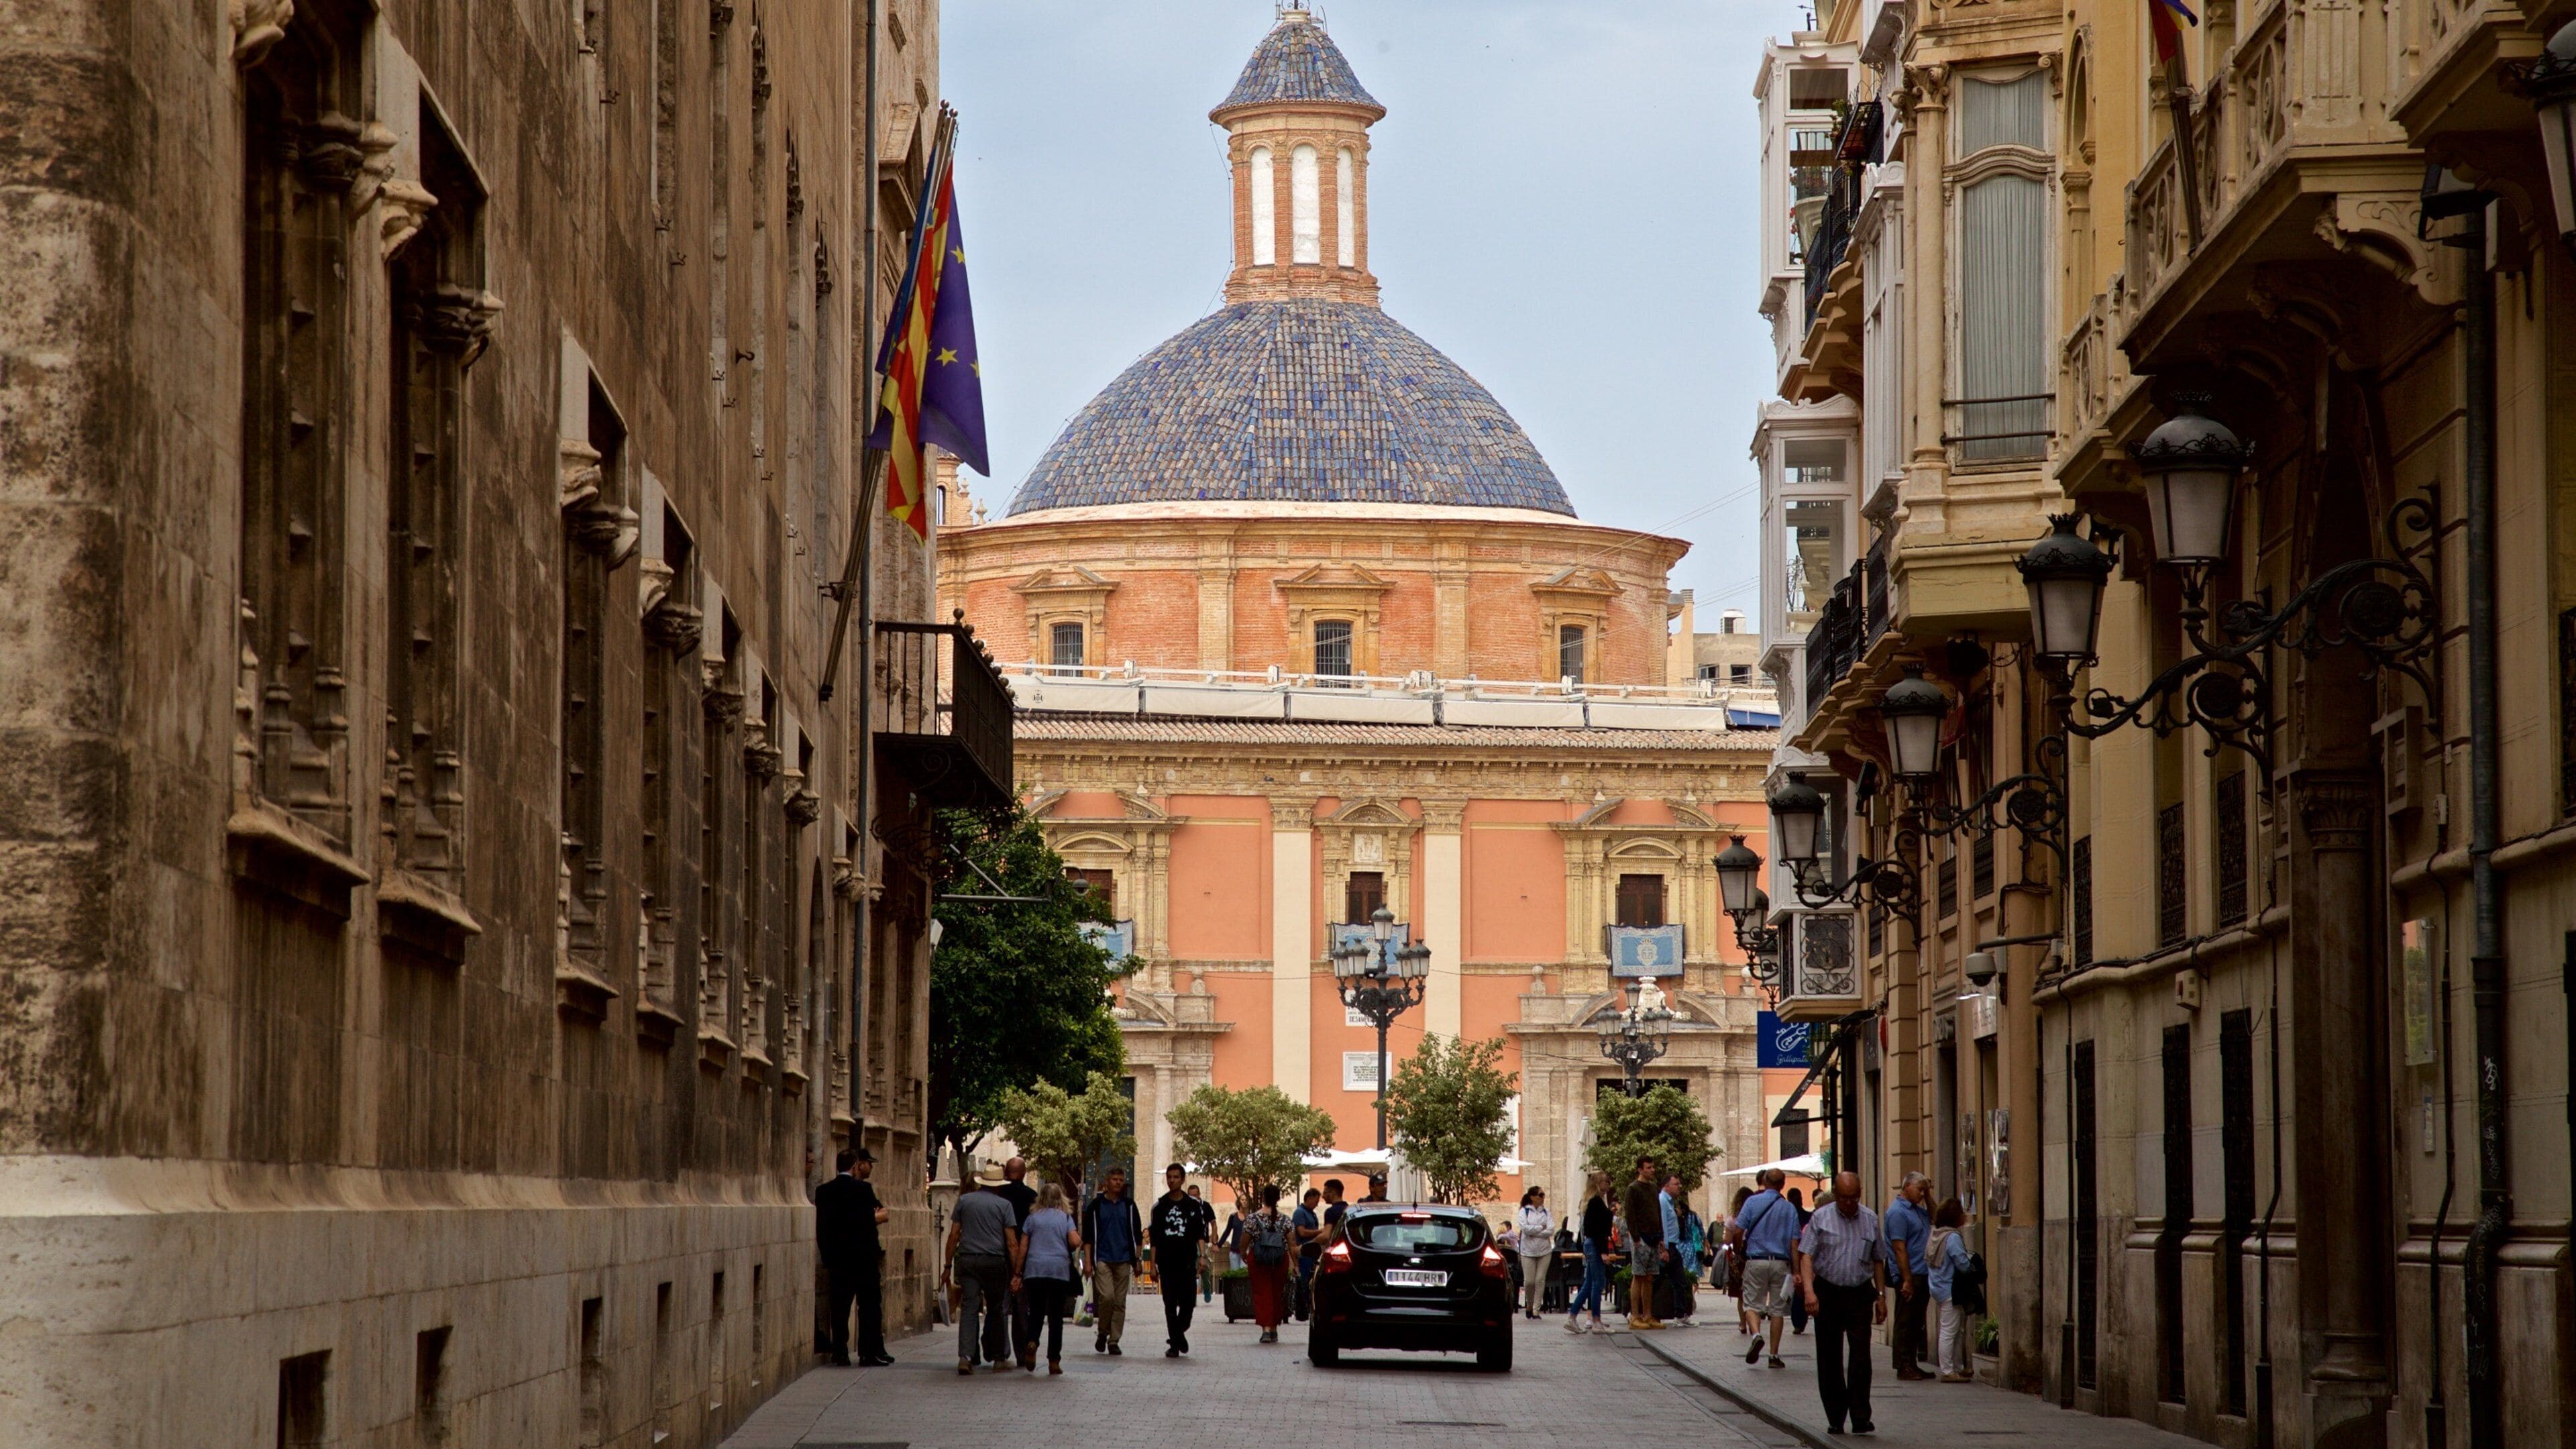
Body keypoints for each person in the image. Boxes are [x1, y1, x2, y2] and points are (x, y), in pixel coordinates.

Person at [1797, 1171, 1888, 1435]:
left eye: (1854, 1198)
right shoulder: (1821, 1218)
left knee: (1861, 1356)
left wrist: (1881, 1296)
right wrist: (1810, 1292)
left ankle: (1860, 1416)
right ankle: (1836, 1416)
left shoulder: (1870, 1219)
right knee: (1829, 1356)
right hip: (1829, 1292)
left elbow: (1878, 1260)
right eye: (1844, 1198)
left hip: (1860, 1293)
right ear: (1835, 1195)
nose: (1849, 1204)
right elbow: (1806, 1256)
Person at [814, 1147, 894, 1366]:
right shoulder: (863, 1190)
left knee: (840, 1307)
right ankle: (867, 1353)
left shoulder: (824, 1191)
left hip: (838, 1259)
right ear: (854, 1166)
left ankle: (840, 1351)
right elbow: (876, 1216)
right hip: (864, 1258)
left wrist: (828, 1255)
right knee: (869, 1306)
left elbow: (822, 1228)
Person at [944, 1169, 1023, 1375]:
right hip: (994, 1262)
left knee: (969, 1306)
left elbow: (953, 1235)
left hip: (968, 1260)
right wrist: (1017, 1273)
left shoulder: (964, 1201)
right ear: (998, 1185)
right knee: (996, 1309)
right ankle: (999, 1358)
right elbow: (1012, 1243)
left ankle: (965, 1357)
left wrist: (947, 1266)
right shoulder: (1004, 1205)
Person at [1734, 1169, 1799, 1369]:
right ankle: (1774, 1355)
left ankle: (1756, 1335)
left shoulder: (1752, 1202)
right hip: (1781, 1263)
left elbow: (1738, 1230)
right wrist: (1796, 1271)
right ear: (1783, 1185)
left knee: (1752, 1304)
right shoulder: (1789, 1208)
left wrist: (1738, 1253)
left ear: (1765, 1181)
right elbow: (1794, 1244)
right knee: (1777, 1310)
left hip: (1756, 1260)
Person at [1016, 1183, 1083, 1375]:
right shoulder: (1065, 1218)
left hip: (1035, 1270)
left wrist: (1017, 1273)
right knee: (1056, 1317)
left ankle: (1032, 1341)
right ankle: (1054, 1360)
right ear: (1060, 1198)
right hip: (1058, 1271)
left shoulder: (1032, 1218)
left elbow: (1023, 1247)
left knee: (1036, 1311)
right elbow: (1074, 1241)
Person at [1150, 1164, 1213, 1356]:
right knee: (1169, 1303)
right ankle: (1175, 1345)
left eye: (1176, 1177)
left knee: (1188, 1303)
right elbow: (1155, 1239)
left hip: (1187, 1261)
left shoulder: (1192, 1205)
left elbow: (1200, 1234)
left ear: (1183, 1179)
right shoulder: (1160, 1207)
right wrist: (1152, 1265)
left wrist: (1202, 1257)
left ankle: (1178, 1334)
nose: (1172, 1180)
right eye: (1169, 1177)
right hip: (1166, 1262)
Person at [1081, 1166, 1144, 1355]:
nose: (1118, 1183)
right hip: (1103, 1258)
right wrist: (1088, 1262)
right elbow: (1088, 1237)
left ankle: (1114, 1340)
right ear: (1106, 1182)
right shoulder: (1096, 1206)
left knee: (1120, 1301)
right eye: (1115, 1179)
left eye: (1121, 1180)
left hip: (1124, 1259)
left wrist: (1137, 1259)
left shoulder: (1129, 1206)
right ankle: (1103, 1331)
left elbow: (1137, 1235)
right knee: (1107, 1297)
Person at [1884, 1171, 1933, 1381]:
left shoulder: (1918, 1211)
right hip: (1909, 1275)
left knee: (1916, 1322)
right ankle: (1903, 1366)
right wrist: (1906, 1279)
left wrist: (1928, 1195)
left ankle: (1912, 1363)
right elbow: (1899, 1248)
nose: (1922, 1194)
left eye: (1924, 1190)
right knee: (1905, 1322)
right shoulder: (1898, 1212)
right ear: (1907, 1187)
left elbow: (1936, 1218)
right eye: (1920, 1190)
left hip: (1922, 1272)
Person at [995, 1157, 1040, 1370]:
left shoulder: (998, 1195)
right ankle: (1022, 1353)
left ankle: (1001, 1353)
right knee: (1022, 1308)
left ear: (1006, 1172)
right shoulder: (1032, 1197)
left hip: (1000, 1255)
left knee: (1001, 1307)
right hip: (1025, 1257)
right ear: (1024, 1173)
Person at [1242, 1184, 1295, 1343]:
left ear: (1263, 1197)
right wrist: (1296, 1264)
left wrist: (1243, 1253)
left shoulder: (1252, 1219)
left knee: (1262, 1293)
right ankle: (1274, 1328)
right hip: (1280, 1260)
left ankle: (1266, 1329)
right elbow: (1292, 1244)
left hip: (1259, 1260)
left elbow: (1244, 1240)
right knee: (1276, 1294)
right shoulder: (1286, 1220)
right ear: (1278, 1199)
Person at [1927, 1196, 1972, 1382]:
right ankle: (1947, 1370)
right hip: (1950, 1289)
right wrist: (1971, 1262)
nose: (1964, 1215)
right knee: (1949, 1330)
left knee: (1956, 1330)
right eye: (1961, 1212)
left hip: (1938, 1286)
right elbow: (1962, 1264)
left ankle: (1957, 1367)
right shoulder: (1952, 1237)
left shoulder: (1936, 1233)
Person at [1621, 1155, 1666, 1331]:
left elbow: (1657, 1212)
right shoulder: (1633, 1189)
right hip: (1641, 1238)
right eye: (1649, 1168)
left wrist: (1661, 1237)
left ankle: (1648, 1315)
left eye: (1653, 1167)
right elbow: (1630, 1215)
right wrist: (1636, 1238)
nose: (1652, 1170)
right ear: (1640, 1170)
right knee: (1638, 1276)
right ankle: (1635, 1316)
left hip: (1654, 1237)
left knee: (1649, 1277)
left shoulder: (1654, 1188)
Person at [1566, 1171, 1615, 1334]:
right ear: (1597, 1184)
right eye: (1605, 1181)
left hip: (1592, 1244)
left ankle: (1573, 1317)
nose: (1608, 1185)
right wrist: (1603, 1251)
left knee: (1589, 1284)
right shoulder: (1595, 1202)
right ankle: (1596, 1320)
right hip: (1595, 1244)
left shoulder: (1594, 1201)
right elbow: (1597, 1230)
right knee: (1598, 1283)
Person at [1659, 1175, 1697, 1327]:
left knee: (1679, 1281)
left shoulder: (1670, 1202)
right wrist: (1664, 1248)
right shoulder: (1662, 1201)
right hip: (1668, 1246)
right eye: (1676, 1184)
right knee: (1656, 1279)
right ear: (1666, 1186)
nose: (1680, 1186)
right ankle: (1635, 1311)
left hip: (1673, 1246)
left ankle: (1680, 1315)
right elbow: (1662, 1225)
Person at [1515, 1187, 1555, 1320]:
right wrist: (1540, 1229)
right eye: (1540, 1195)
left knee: (1540, 1280)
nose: (1543, 1198)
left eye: (1543, 1195)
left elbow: (1551, 1230)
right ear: (1532, 1197)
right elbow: (1525, 1229)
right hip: (1528, 1251)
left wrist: (1535, 1232)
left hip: (1545, 1251)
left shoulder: (1547, 1212)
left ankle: (1536, 1310)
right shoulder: (1524, 1211)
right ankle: (1529, 1304)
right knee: (1529, 1282)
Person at [1291, 1187, 1324, 1321]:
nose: (1317, 1204)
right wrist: (1320, 1232)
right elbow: (1302, 1232)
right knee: (1304, 1283)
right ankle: (1303, 1310)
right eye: (1316, 1201)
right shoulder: (1300, 1213)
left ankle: (1308, 1308)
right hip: (1304, 1253)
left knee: (1311, 1282)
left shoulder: (1312, 1213)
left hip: (1312, 1254)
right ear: (1309, 1198)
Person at [1727, 1185, 1756, 1333]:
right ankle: (1754, 1325)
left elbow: (1727, 1240)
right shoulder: (1755, 1217)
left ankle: (1743, 1324)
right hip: (1754, 1256)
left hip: (1740, 1259)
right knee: (1753, 1292)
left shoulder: (1732, 1219)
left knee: (1741, 1294)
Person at [1785, 1185, 1813, 1335]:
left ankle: (1798, 1322)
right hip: (1807, 1256)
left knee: (1796, 1288)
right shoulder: (1809, 1216)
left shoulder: (1788, 1217)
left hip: (1793, 1255)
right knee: (1803, 1287)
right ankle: (1801, 1320)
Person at [1185, 1185, 1216, 1303]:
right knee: (1191, 1267)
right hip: (1189, 1241)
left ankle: (1207, 1288)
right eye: (1190, 1196)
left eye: (1195, 1195)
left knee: (1204, 1266)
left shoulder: (1205, 1206)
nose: (1193, 1198)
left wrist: (1214, 1241)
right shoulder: (1185, 1207)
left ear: (1199, 1195)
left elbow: (1213, 1224)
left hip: (1203, 1240)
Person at [1320, 1177, 1350, 1244]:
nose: (1323, 1196)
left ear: (1332, 1193)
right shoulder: (1349, 1209)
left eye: (1325, 1193)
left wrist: (1307, 1244)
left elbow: (1326, 1236)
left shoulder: (1330, 1212)